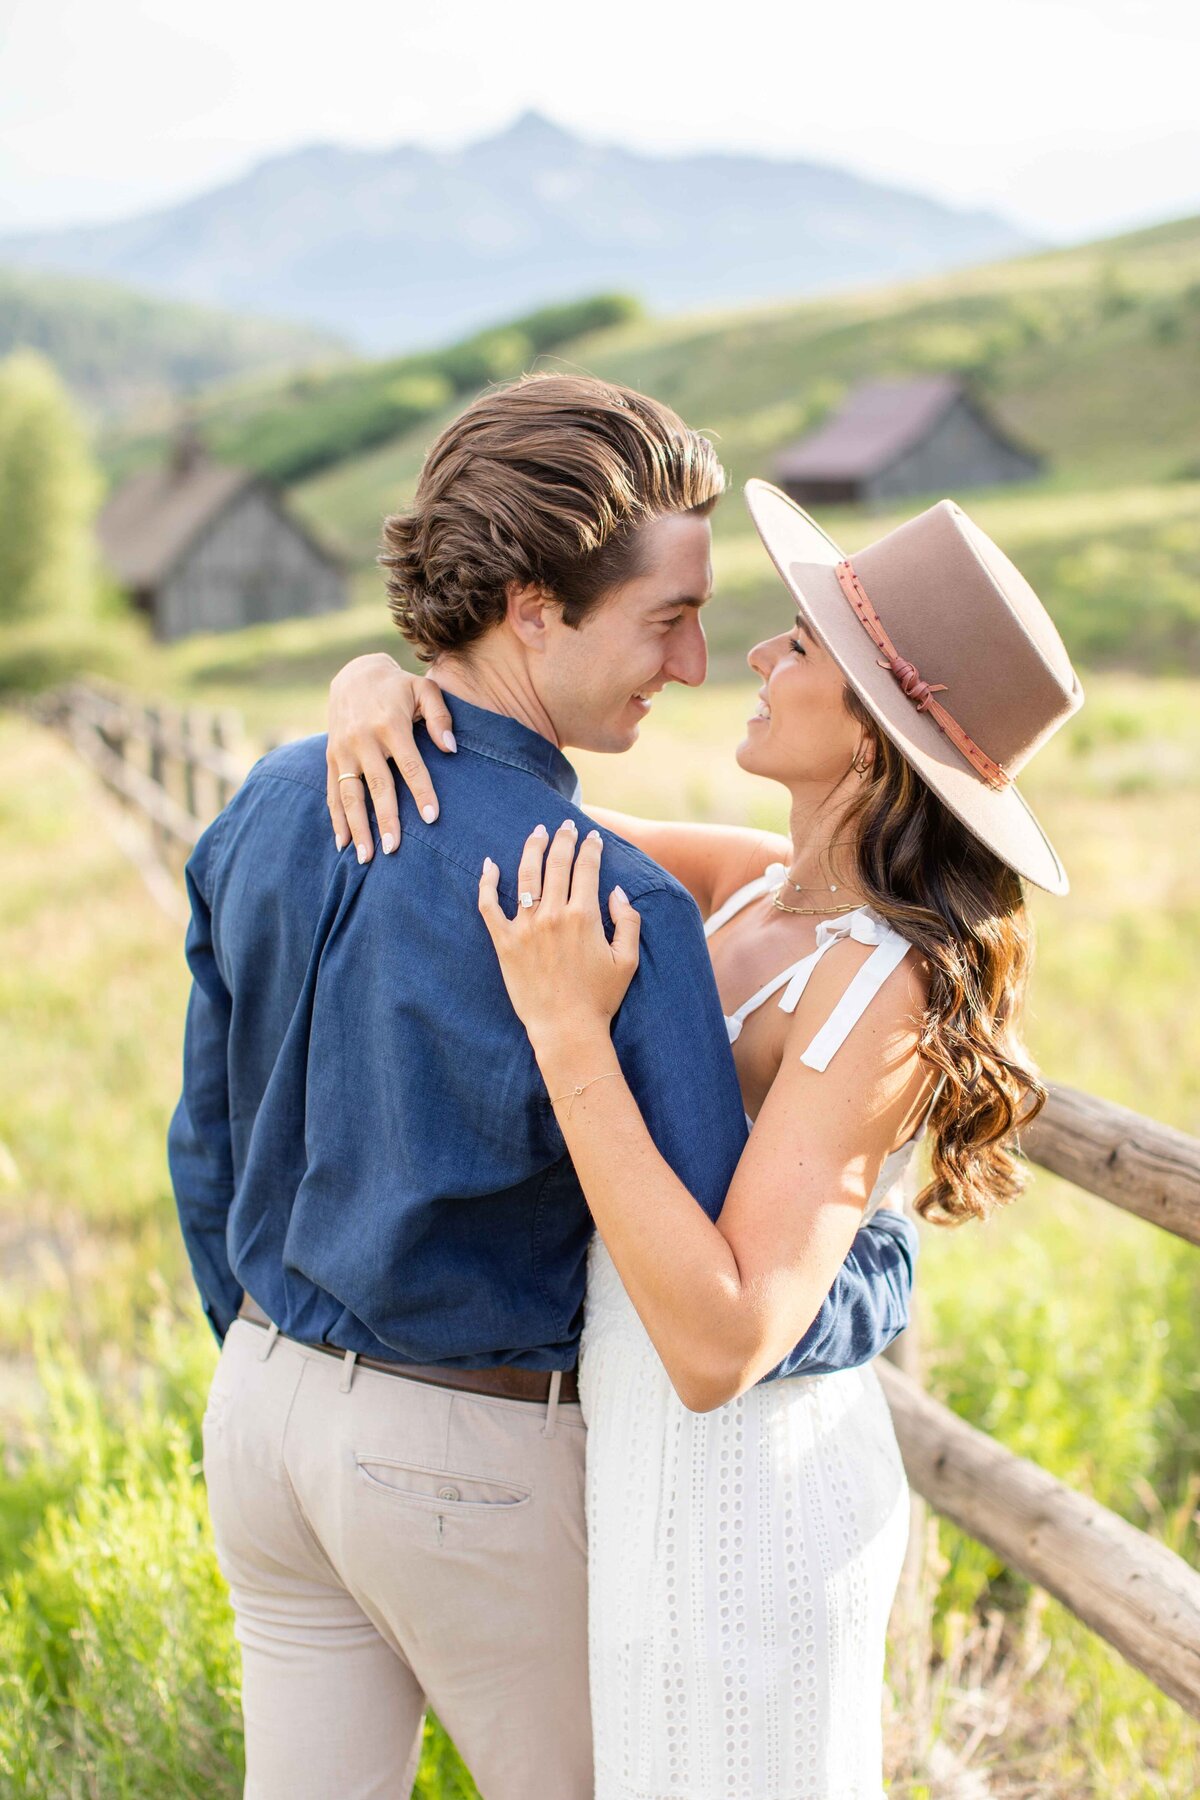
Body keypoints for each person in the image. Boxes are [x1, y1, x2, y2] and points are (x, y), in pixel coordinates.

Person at [168, 375, 919, 1800]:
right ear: (529, 606)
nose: (695, 663)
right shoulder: (612, 907)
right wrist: (885, 1261)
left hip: (260, 1416)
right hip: (467, 1460)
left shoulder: (271, 796)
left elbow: (204, 1133)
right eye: (666, 618)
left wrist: (265, 1347)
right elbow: (707, 1271)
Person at [327, 476, 1083, 1797]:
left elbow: (727, 1338)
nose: (754, 654)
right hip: (642, 1474)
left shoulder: (885, 990)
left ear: (872, 737)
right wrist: (371, 686)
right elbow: (490, 800)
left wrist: (572, 1040)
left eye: (801, 646)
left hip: (754, 1506)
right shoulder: (742, 885)